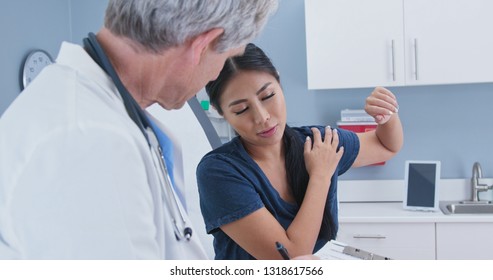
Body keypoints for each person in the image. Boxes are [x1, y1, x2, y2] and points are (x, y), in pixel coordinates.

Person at [0, 0, 278, 259]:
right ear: (201, 45)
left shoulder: (101, 114)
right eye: (226, 58)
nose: (215, 75)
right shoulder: (87, 141)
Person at [197, 43, 404, 260]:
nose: (262, 117)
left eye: (267, 96)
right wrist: (321, 175)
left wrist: (387, 114)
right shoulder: (218, 172)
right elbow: (291, 258)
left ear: (278, 81)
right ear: (221, 112)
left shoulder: (317, 143)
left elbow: (386, 145)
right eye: (241, 109)